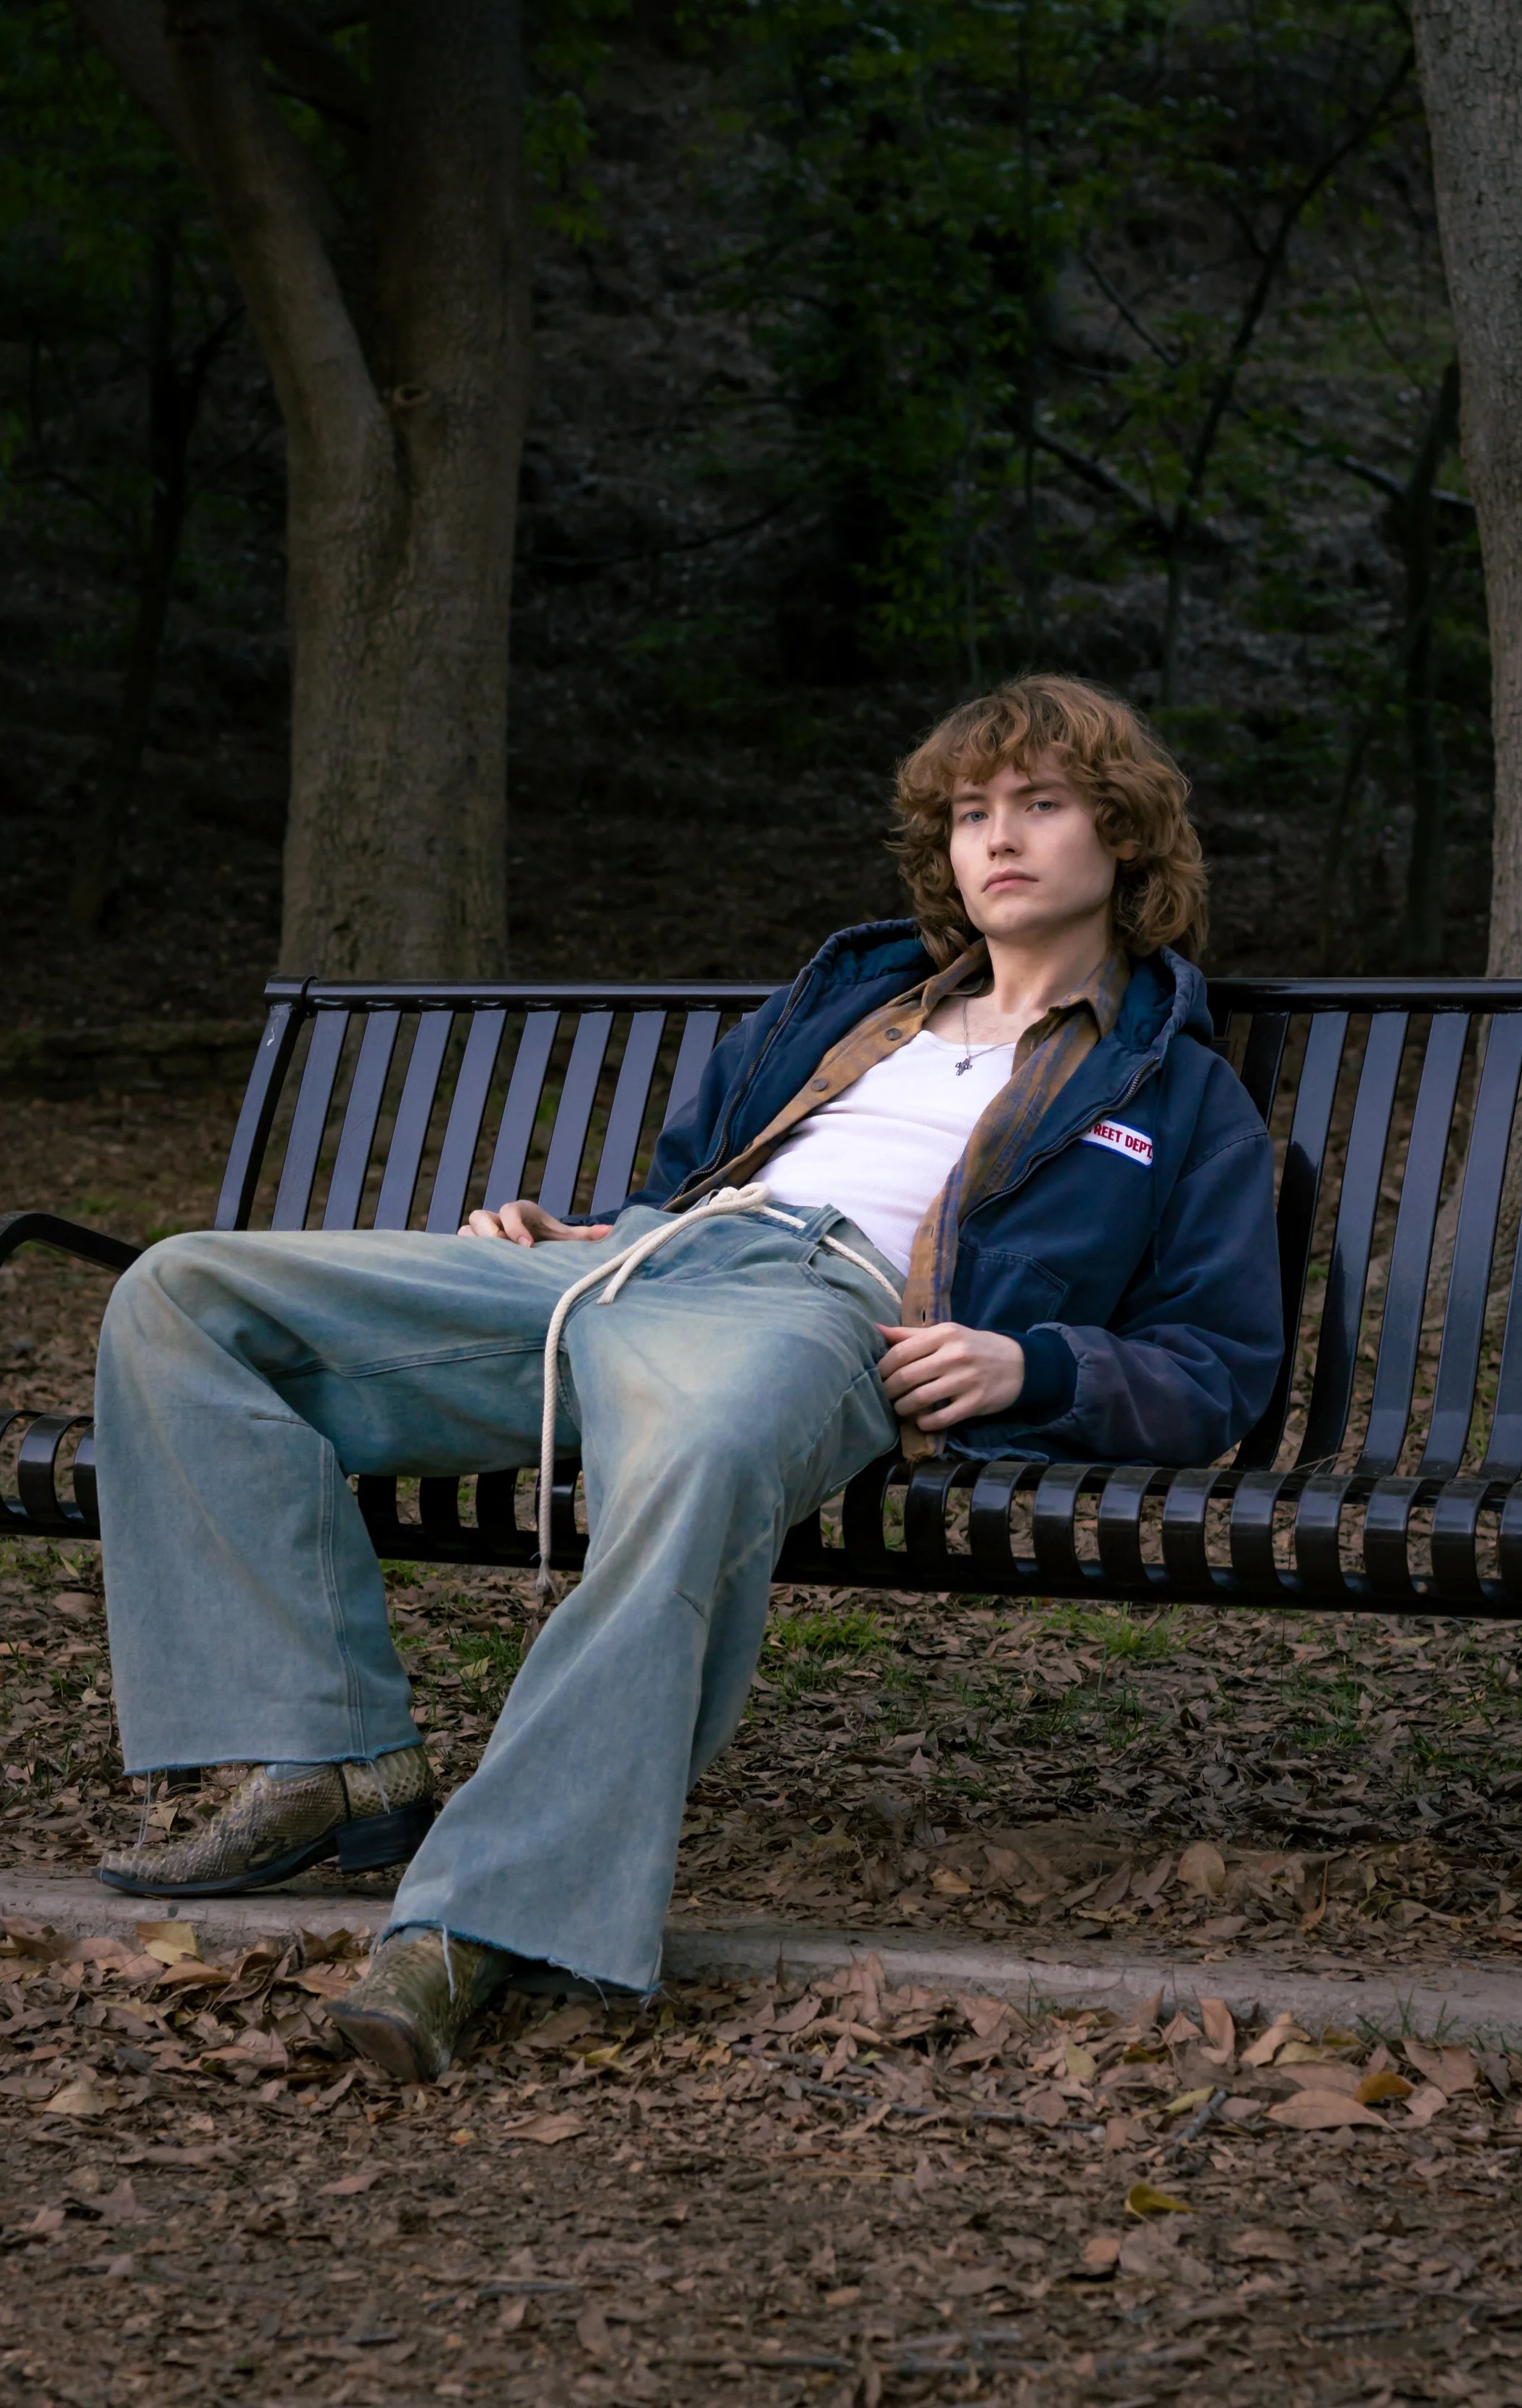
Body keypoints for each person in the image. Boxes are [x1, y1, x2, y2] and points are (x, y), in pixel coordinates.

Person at [91, 673, 1282, 2082]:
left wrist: (1035, 1362)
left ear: (1125, 842)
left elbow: (1215, 1370)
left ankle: (475, 1923)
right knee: (185, 1295)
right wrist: (582, 1229)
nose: (996, 839)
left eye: (1039, 805)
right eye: (970, 813)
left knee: (697, 1461)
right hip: (644, 1270)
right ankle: (328, 1753)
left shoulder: (1168, 1085)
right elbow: (693, 1175)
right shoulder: (856, 999)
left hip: (824, 1317)